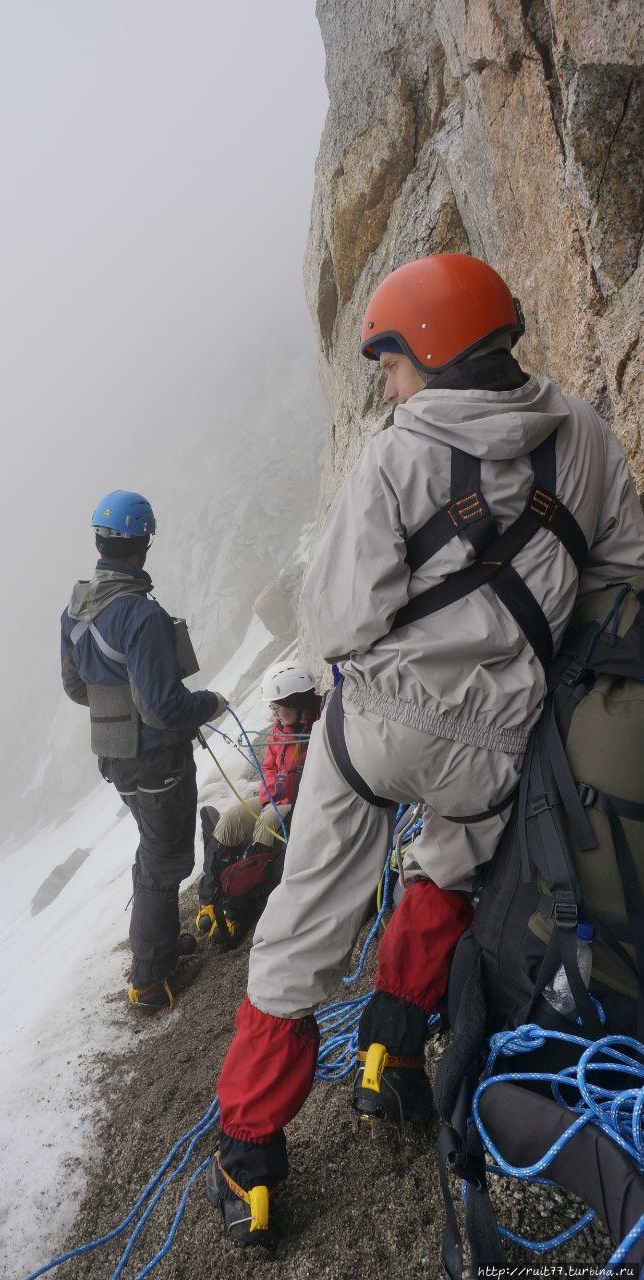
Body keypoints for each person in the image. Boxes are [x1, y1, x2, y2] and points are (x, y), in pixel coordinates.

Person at [205, 253, 644, 1244]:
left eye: (391, 363)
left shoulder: (397, 454)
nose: (388, 386)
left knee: (305, 923)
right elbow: (621, 571)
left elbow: (337, 617)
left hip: (380, 728)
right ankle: (389, 1060)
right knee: (441, 874)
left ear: (434, 348)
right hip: (495, 747)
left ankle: (250, 1156)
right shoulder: (580, 431)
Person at [60, 489, 228, 1012]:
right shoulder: (140, 615)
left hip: (117, 756)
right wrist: (211, 702)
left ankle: (153, 950)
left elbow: (75, 688)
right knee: (165, 859)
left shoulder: (74, 610)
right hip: (157, 758)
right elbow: (164, 708)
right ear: (144, 543)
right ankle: (152, 979)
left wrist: (120, 709)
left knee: (152, 850)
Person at [195, 662, 321, 944]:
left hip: (302, 804)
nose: (273, 713)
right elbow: (268, 768)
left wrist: (278, 800)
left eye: (278, 707)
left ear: (297, 702)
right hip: (275, 798)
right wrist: (268, 797)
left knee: (267, 826)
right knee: (230, 820)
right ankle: (211, 894)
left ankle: (239, 909)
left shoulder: (320, 729)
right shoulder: (280, 728)